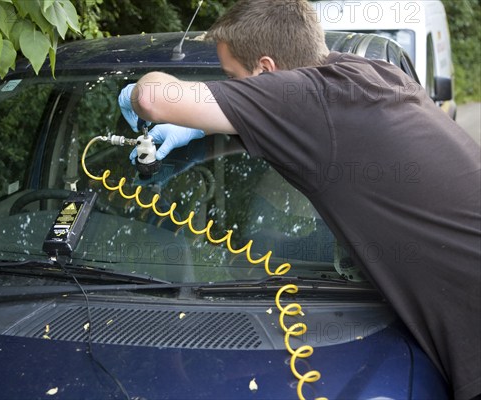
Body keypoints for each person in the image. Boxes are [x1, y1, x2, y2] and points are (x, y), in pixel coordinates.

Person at [117, 0, 481, 399]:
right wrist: (202, 134)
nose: (234, 86)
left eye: (235, 79)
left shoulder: (303, 99)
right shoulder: (367, 73)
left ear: (267, 71)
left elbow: (154, 98)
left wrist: (136, 89)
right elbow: (309, 127)